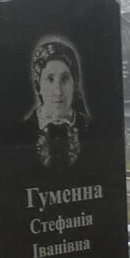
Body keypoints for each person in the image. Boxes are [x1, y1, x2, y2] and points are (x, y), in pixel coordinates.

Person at [25, 35, 88, 167]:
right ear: (38, 85)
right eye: (50, 79)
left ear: (74, 84)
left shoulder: (91, 129)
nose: (58, 91)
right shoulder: (21, 132)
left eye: (65, 79)